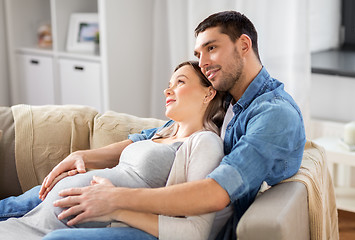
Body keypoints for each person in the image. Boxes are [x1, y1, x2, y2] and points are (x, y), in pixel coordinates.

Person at [0, 11, 306, 239]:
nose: (204, 62)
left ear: (244, 44)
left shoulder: (273, 114)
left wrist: (115, 200)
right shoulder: (227, 100)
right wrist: (84, 155)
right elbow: (157, 136)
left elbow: (216, 193)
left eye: (212, 48)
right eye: (199, 54)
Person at [0, 61, 231, 240]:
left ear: (208, 93)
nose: (167, 91)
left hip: (85, 221)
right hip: (45, 214)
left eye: (180, 82)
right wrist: (79, 161)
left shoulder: (205, 142)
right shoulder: (161, 133)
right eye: (169, 85)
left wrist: (114, 208)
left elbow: (195, 228)